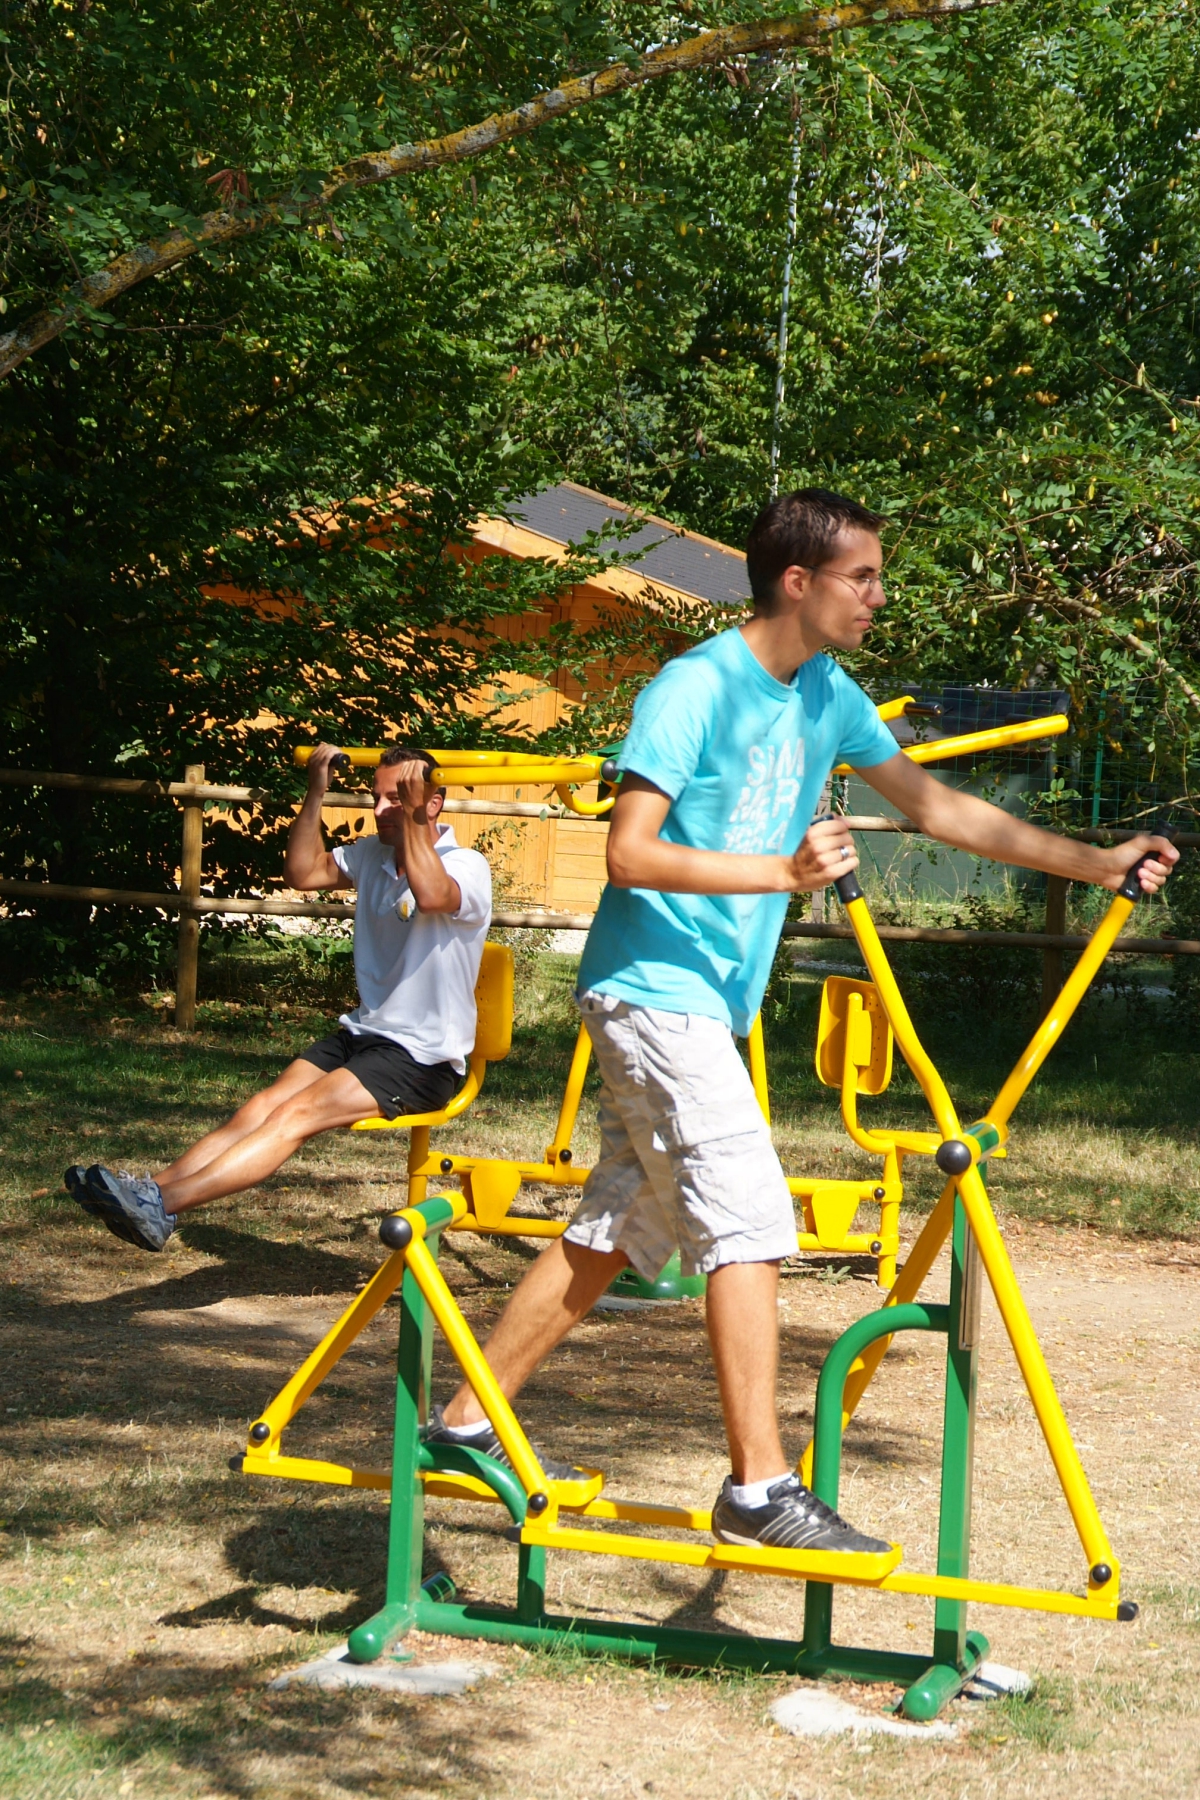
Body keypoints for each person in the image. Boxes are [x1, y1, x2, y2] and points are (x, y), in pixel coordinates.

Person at [421, 486, 1177, 1553]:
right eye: (862, 577)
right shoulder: (693, 690)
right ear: (798, 581)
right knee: (751, 1217)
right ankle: (758, 1491)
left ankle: (464, 1425)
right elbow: (629, 853)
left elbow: (935, 808)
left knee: (617, 1230)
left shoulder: (827, 692)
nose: (879, 596)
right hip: (651, 989)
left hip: (702, 1005)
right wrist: (778, 872)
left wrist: (1095, 860)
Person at [64, 745, 492, 1254]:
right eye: (375, 797)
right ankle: (148, 1194)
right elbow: (302, 873)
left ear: (432, 804)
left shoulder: (466, 865)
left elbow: (433, 895)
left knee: (296, 1114)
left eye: (395, 800)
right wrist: (315, 793)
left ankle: (163, 1203)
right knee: (263, 1106)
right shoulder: (374, 855)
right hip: (367, 1033)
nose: (378, 811)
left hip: (423, 1058)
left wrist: (415, 817)